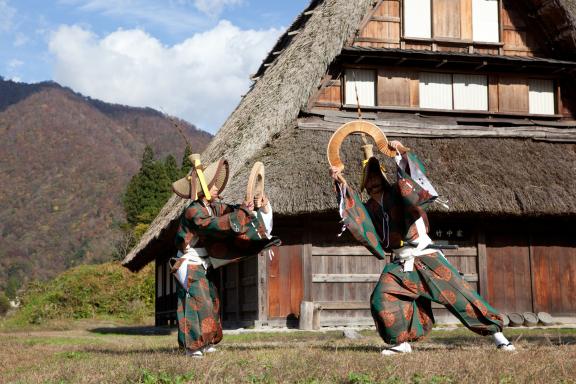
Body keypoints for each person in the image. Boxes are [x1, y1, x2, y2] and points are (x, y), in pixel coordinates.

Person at [330, 141, 515, 355]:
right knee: (382, 297)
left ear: (383, 179)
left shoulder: (398, 194)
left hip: (425, 255)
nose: (373, 184)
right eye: (368, 182)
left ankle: (499, 337)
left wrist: (401, 153)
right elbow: (356, 214)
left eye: (376, 179)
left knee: (461, 295)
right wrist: (339, 182)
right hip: (400, 264)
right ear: (365, 186)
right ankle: (401, 343)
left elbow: (410, 185)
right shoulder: (370, 207)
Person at [171, 155, 278, 357]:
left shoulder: (215, 207)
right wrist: (243, 212)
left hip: (204, 263)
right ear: (202, 187)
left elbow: (236, 212)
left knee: (212, 301)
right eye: (212, 186)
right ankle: (192, 347)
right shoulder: (193, 211)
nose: (216, 189)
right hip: (190, 263)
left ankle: (208, 341)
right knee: (198, 302)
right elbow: (215, 225)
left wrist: (259, 205)